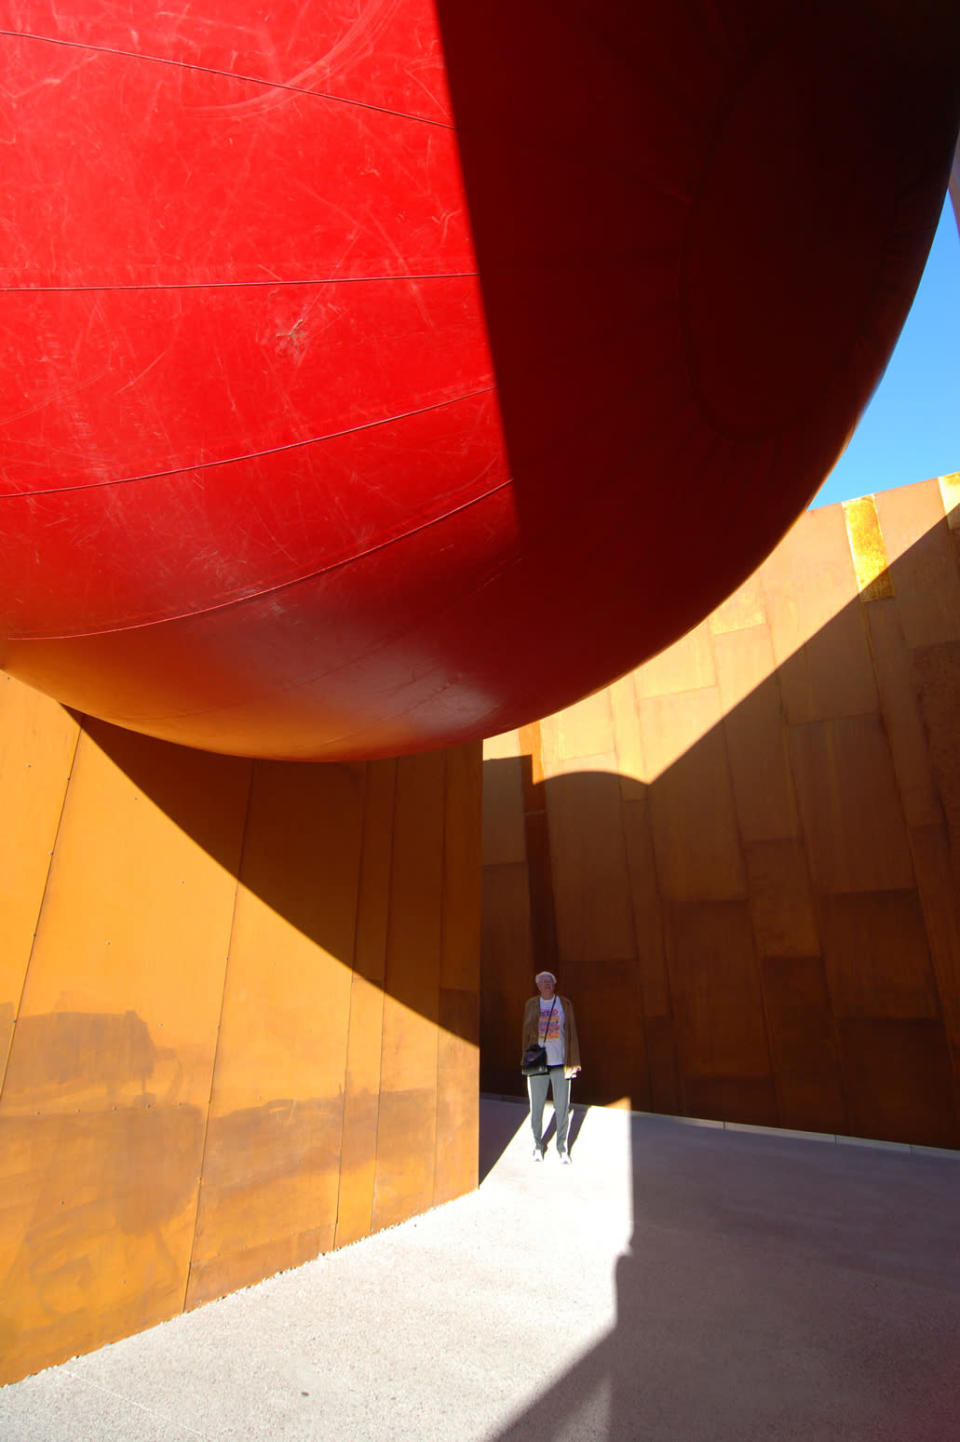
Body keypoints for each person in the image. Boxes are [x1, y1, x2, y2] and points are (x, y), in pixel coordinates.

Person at [522, 971, 581, 1163]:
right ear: (538, 986)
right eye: (542, 982)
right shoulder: (531, 1004)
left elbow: (571, 1034)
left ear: (554, 985)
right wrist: (526, 1061)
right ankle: (537, 1145)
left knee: (562, 1106)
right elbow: (525, 1034)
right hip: (538, 1063)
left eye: (550, 981)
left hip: (560, 1063)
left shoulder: (565, 1004)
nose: (546, 984)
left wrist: (574, 1061)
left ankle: (562, 1148)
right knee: (536, 1106)